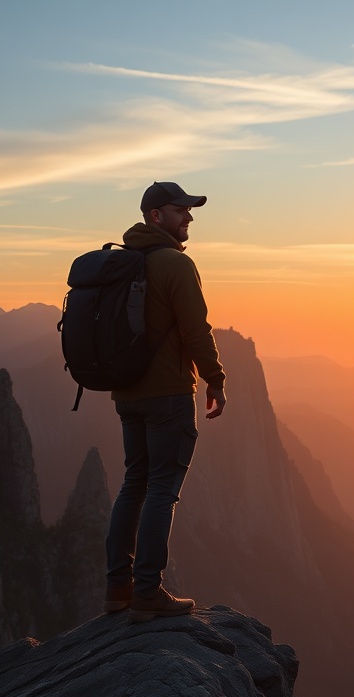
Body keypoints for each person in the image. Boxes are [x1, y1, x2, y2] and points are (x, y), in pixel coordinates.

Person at [102, 180, 226, 622]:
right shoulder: (176, 264)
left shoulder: (124, 260)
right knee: (161, 489)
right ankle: (148, 591)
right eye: (180, 210)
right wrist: (215, 379)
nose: (189, 217)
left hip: (127, 393)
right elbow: (196, 330)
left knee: (133, 483)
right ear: (157, 216)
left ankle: (118, 588)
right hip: (168, 395)